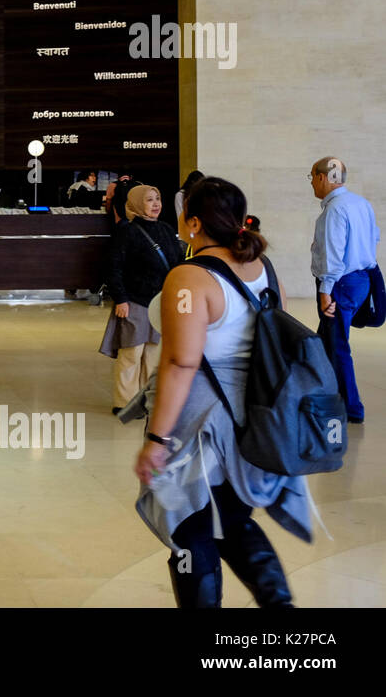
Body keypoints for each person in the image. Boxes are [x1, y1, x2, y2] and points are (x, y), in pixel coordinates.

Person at [134, 176, 312, 608]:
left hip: (201, 423)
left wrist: (157, 440)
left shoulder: (189, 276)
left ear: (193, 222)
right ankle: (279, 602)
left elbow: (181, 362)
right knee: (231, 517)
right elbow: (278, 339)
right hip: (256, 419)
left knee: (189, 528)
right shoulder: (263, 269)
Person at [310, 156, 380, 424]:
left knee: (337, 345)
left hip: (339, 283)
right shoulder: (361, 204)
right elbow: (374, 236)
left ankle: (351, 407)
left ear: (321, 177)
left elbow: (335, 255)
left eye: (312, 178)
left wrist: (326, 291)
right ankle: (323, 395)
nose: (312, 185)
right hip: (360, 279)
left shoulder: (335, 210)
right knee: (324, 342)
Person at [101, 184, 180, 414]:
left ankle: (146, 401)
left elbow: (176, 263)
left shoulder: (166, 229)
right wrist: (121, 299)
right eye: (149, 200)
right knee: (131, 354)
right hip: (134, 301)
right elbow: (113, 267)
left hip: (160, 302)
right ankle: (125, 403)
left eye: (158, 199)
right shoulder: (127, 231)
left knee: (153, 355)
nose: (156, 204)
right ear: (136, 203)